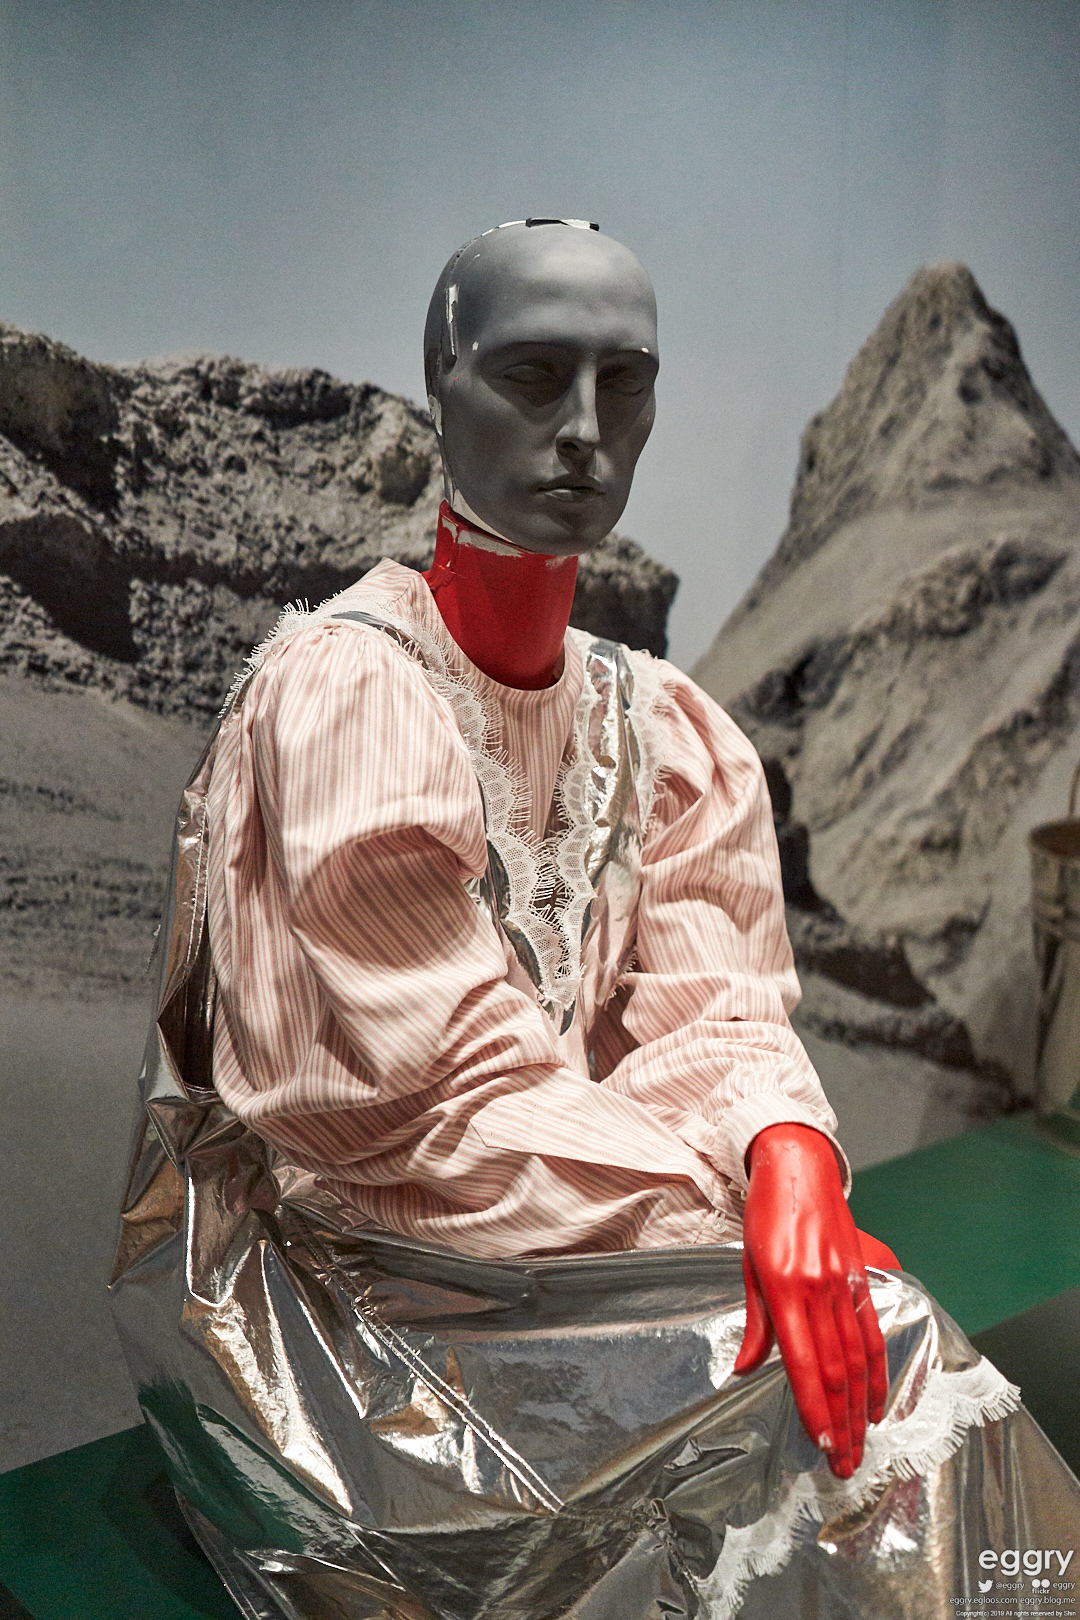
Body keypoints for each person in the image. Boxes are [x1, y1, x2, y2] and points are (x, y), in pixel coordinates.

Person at [111, 219, 1079, 1620]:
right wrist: (721, 1221)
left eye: (623, 382)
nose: (582, 429)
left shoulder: (663, 726)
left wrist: (791, 1156)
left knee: (881, 1381)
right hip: (364, 1302)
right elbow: (434, 1105)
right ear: (441, 383)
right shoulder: (346, 694)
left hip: (579, 1240)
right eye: (531, 374)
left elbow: (713, 1011)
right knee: (867, 1376)